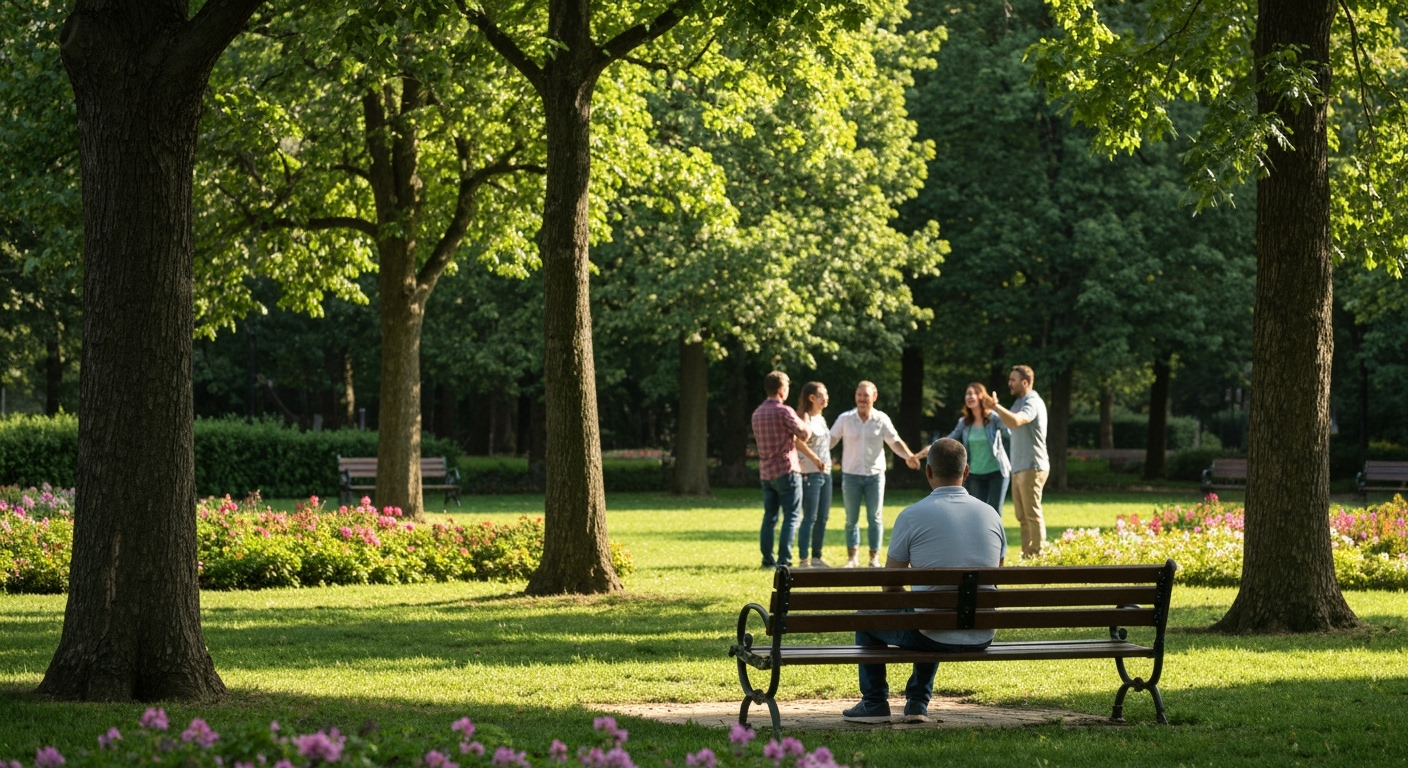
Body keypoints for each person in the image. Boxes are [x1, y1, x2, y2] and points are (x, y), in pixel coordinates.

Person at [840, 438, 1007, 723]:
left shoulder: (911, 516)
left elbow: (890, 586)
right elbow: (997, 574)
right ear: (966, 472)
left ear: (928, 472)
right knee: (933, 611)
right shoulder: (991, 514)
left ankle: (874, 702)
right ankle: (917, 703)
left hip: (931, 632)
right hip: (982, 633)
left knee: (869, 618)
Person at [829, 381, 921, 568]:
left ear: (874, 397)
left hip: (875, 475)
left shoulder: (881, 419)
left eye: (866, 395)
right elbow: (830, 440)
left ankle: (873, 558)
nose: (862, 399)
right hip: (851, 476)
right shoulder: (845, 419)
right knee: (851, 519)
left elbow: (894, 441)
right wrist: (814, 456)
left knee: (875, 518)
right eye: (859, 395)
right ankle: (852, 558)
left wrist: (908, 456)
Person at [751, 371, 826, 569]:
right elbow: (804, 434)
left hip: (766, 473)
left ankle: (767, 560)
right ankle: (785, 560)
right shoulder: (784, 411)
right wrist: (806, 425)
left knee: (769, 518)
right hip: (787, 470)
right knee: (792, 516)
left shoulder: (757, 413)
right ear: (782, 389)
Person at [980, 365, 1048, 557]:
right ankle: (1027, 554)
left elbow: (1017, 421)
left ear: (1025, 382)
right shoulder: (1018, 402)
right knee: (1022, 515)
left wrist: (995, 407)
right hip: (1019, 467)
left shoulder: (1032, 402)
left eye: (1013, 380)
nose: (1009, 383)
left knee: (1032, 513)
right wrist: (989, 407)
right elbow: (1008, 423)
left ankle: (1037, 553)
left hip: (1032, 465)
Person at [944, 382, 1012, 514]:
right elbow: (950, 438)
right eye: (967, 394)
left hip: (997, 472)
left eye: (972, 393)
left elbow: (1008, 432)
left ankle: (996, 536)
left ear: (981, 396)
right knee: (976, 513)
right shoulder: (964, 422)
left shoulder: (994, 418)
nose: (969, 396)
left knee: (994, 512)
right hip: (975, 474)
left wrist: (997, 408)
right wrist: (933, 447)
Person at [794, 381, 833, 567]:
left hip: (826, 473)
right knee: (810, 516)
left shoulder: (821, 419)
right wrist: (815, 459)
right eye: (822, 394)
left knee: (823, 516)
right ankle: (803, 559)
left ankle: (817, 557)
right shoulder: (804, 418)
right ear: (812, 398)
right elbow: (797, 441)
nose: (826, 397)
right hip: (810, 472)